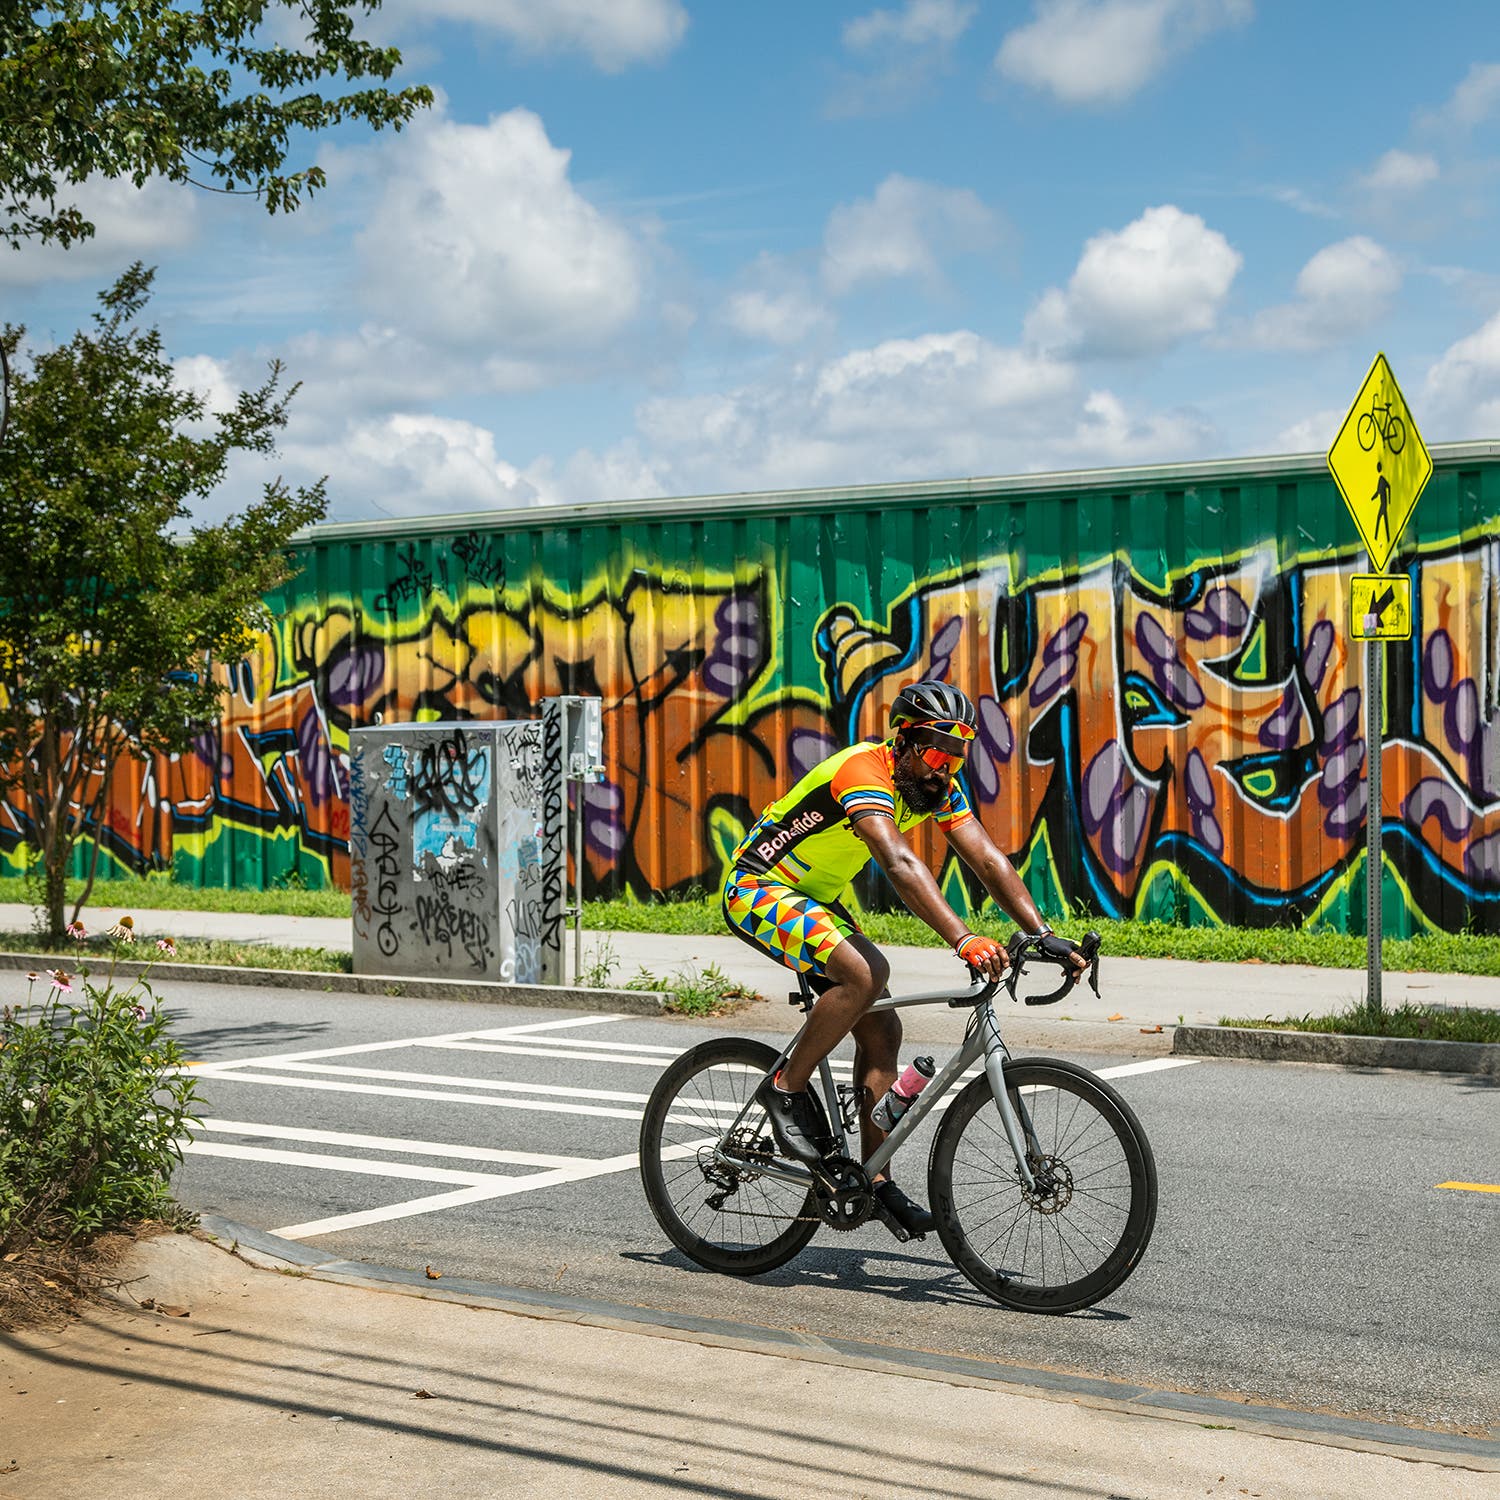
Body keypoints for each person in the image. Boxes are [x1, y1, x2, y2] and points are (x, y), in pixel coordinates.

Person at [721, 679, 1086, 1237]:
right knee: (865, 974)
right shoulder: (862, 772)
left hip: (815, 897)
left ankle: (875, 1182)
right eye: (937, 754)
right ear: (906, 744)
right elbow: (898, 863)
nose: (945, 770)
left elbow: (987, 859)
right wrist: (964, 938)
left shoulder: (937, 788)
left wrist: (1041, 932)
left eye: (956, 758)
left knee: (882, 1031)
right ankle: (785, 1088)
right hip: (758, 886)